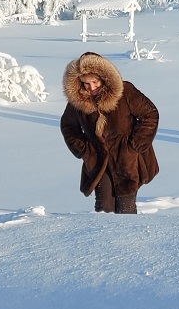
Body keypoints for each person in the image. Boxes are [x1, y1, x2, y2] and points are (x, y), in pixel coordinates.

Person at [60, 51, 160, 214]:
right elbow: (68, 126)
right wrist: (85, 150)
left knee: (126, 208)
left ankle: (130, 238)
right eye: (86, 83)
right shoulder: (78, 100)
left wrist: (134, 146)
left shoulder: (125, 91)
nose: (91, 88)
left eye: (94, 82)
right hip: (98, 160)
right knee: (103, 209)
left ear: (104, 77)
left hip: (127, 159)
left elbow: (149, 114)